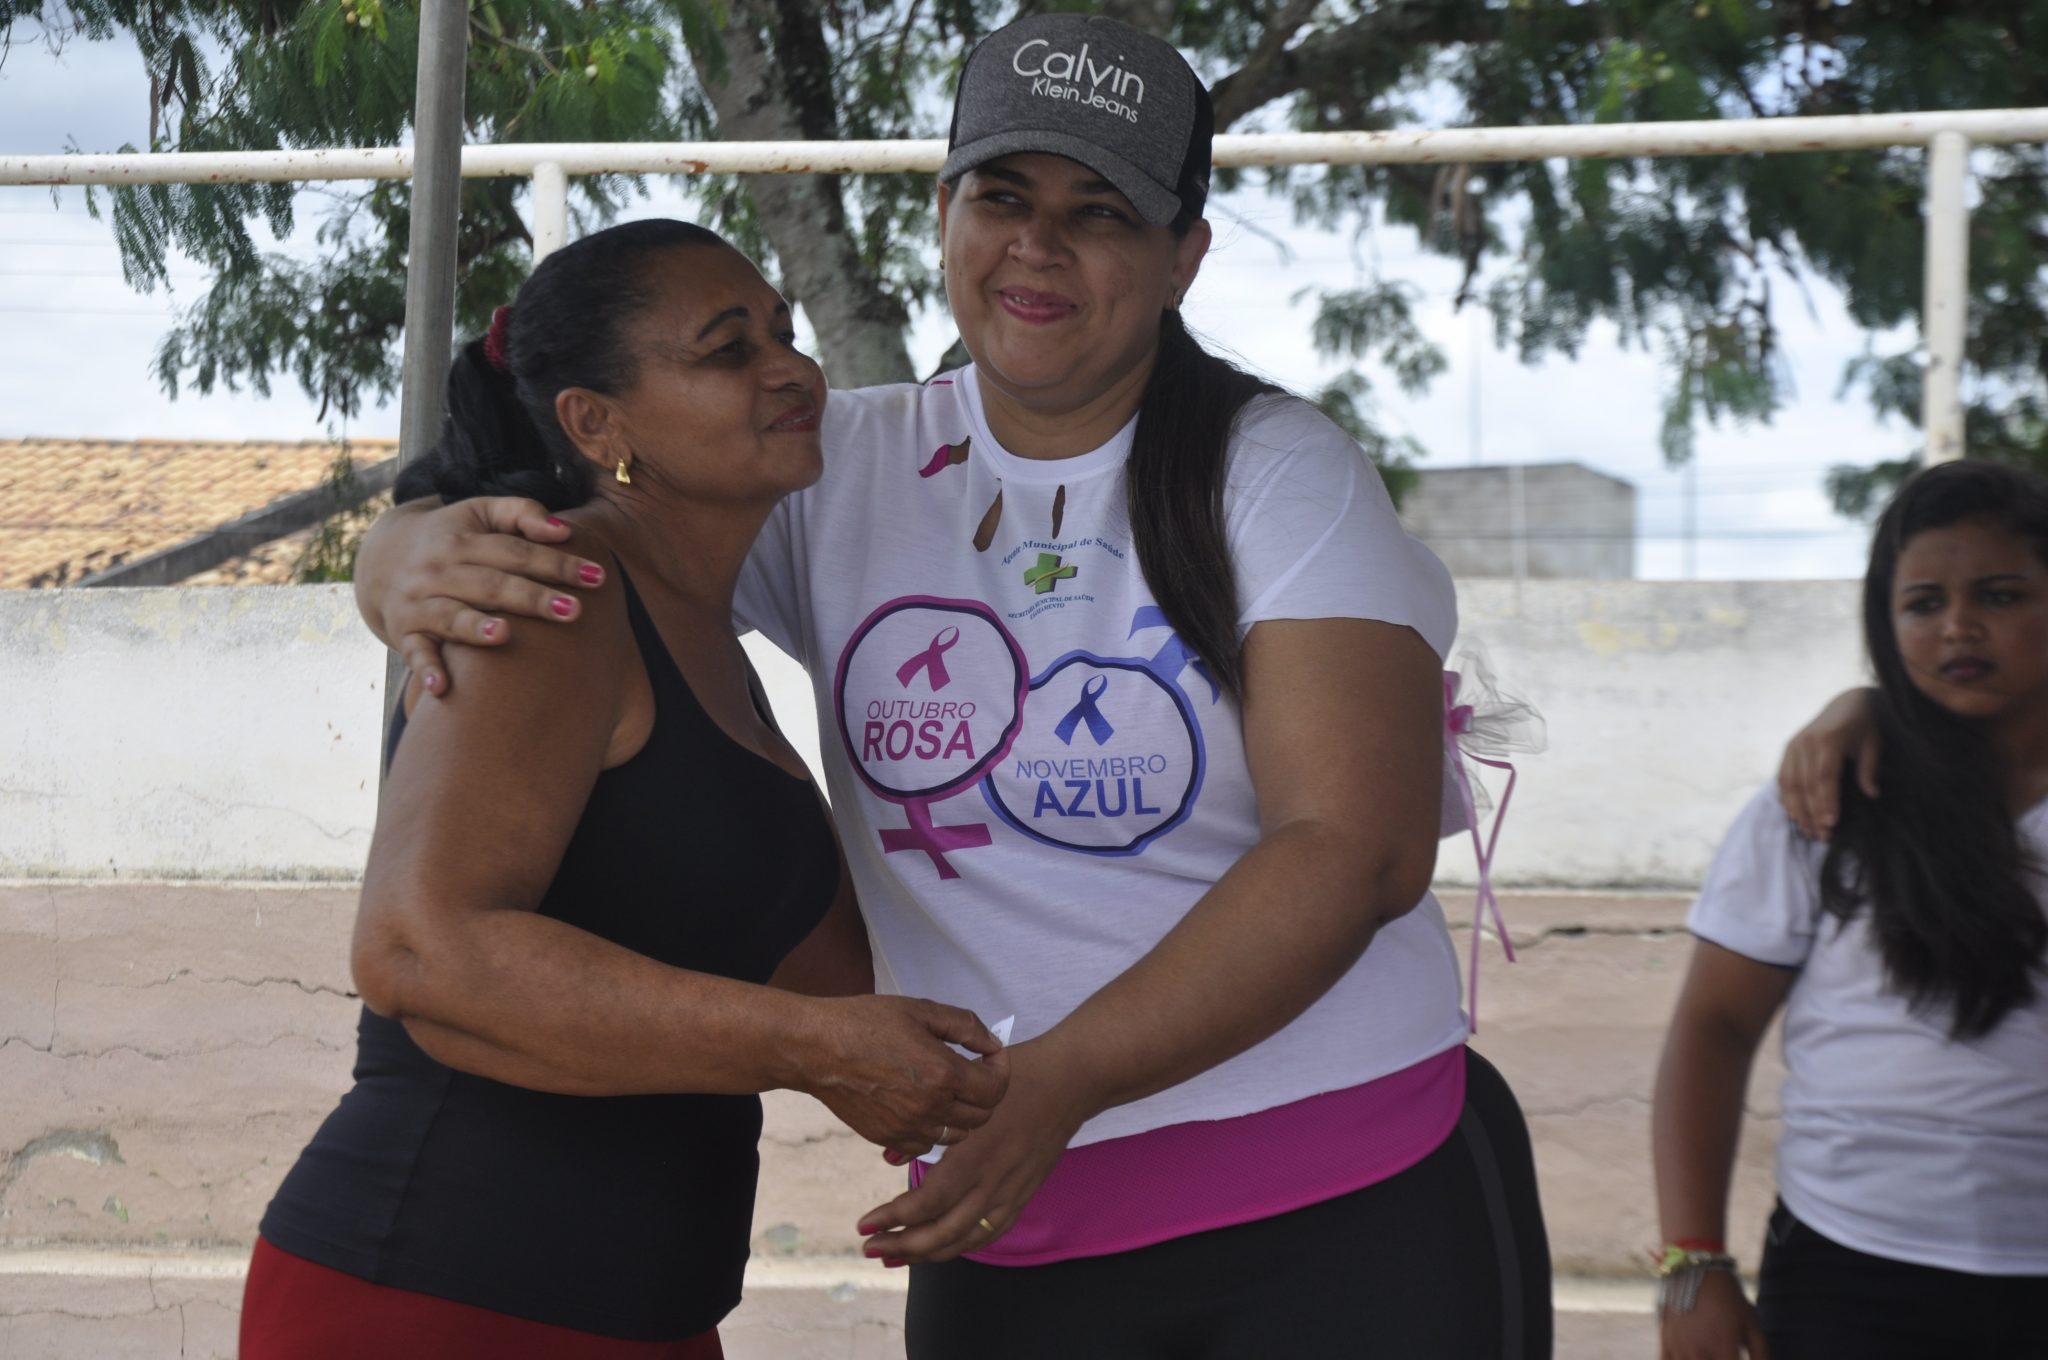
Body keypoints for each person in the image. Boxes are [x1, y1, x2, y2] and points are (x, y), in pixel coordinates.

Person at [351, 15, 1553, 1356]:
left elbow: (1352, 847)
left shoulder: (1277, 470)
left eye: (1099, 213)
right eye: (1001, 197)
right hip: (1012, 1220)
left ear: (1183, 257)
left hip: (1341, 1192)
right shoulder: (830, 466)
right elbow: (595, 532)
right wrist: (396, 551)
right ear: (943, 217)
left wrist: (1063, 1080)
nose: (1037, 246)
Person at [240, 219, 1008, 1360]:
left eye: (784, 333)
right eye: (727, 349)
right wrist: (814, 1047)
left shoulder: (708, 634)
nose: (790, 369)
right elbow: (417, 949)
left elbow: (815, 977)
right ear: (597, 424)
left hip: (644, 1311)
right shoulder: (552, 596)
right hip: (442, 1300)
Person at [1651, 459, 2048, 1360]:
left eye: (2000, 594)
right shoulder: (1827, 800)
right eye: (1922, 603)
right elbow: (1713, 1027)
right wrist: (1691, 1264)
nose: (1958, 626)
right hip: (1851, 1268)